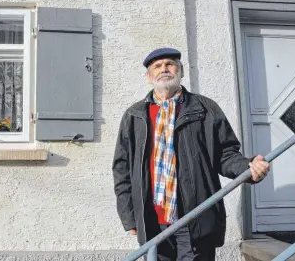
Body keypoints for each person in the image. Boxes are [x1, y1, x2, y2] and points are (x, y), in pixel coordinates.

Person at [112, 47, 270, 261]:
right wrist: (129, 216)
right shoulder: (134, 116)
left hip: (195, 217)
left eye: (170, 64)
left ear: (181, 71)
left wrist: (248, 168)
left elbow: (225, 154)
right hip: (151, 221)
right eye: (157, 66)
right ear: (149, 77)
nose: (164, 69)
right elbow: (122, 170)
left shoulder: (205, 108)